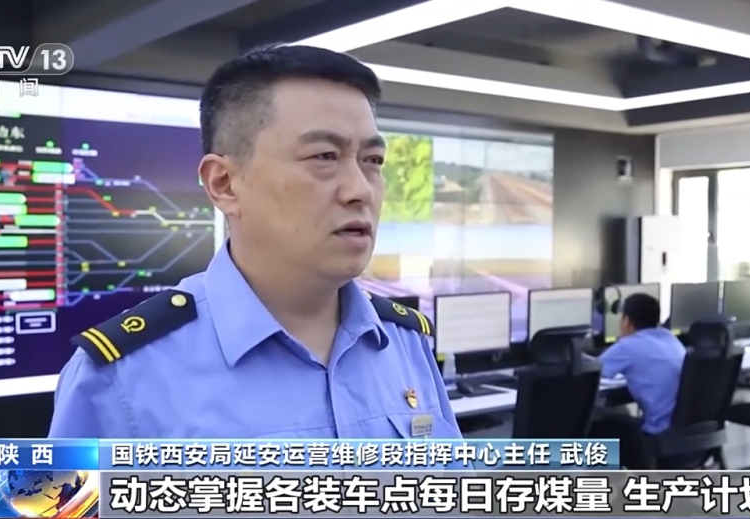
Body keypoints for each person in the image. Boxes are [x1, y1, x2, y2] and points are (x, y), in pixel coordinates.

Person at [49, 45, 461, 440]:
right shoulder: (120, 379)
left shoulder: (406, 344)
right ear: (224, 184)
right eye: (324, 156)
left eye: (372, 161)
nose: (361, 190)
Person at [589, 293, 686, 468]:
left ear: (626, 321)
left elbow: (591, 372)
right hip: (685, 432)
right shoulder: (670, 337)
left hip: (659, 432)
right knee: (621, 414)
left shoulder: (628, 345)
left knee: (596, 427)